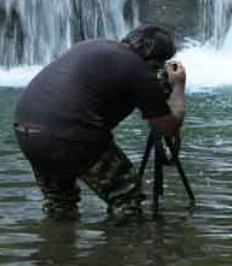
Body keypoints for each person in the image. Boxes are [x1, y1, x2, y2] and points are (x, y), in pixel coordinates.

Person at [13, 24, 186, 219]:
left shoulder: (95, 46)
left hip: (27, 132)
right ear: (156, 60)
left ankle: (56, 245)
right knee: (126, 197)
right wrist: (178, 86)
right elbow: (167, 127)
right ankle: (122, 246)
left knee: (60, 202)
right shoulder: (138, 70)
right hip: (69, 135)